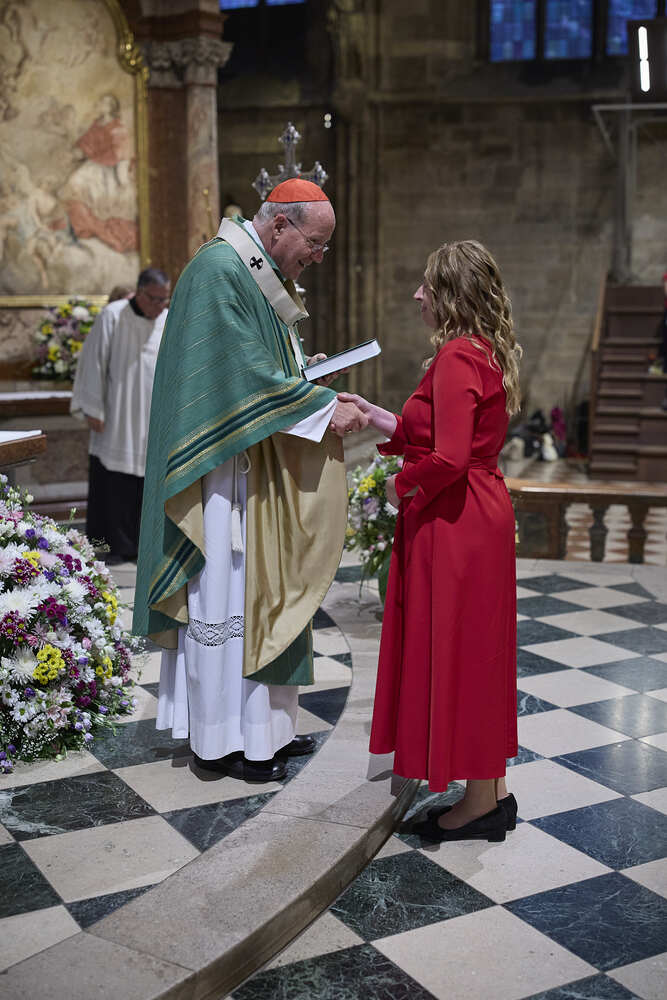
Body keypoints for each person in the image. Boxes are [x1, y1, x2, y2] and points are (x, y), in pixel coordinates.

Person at [132, 178, 368, 783]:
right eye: (315, 243)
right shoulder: (219, 271)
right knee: (227, 597)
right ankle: (220, 741)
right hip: (221, 478)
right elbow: (235, 377)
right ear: (281, 224)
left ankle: (266, 732)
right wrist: (319, 408)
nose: (319, 257)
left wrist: (304, 374)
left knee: (262, 598)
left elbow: (258, 365)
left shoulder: (254, 272)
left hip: (254, 463)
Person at [339, 239, 522, 843]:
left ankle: (479, 805)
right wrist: (378, 416)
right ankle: (490, 793)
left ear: (451, 294)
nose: (417, 294)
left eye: (428, 285)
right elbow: (443, 435)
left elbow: (447, 457)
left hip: (456, 519)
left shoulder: (455, 356)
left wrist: (400, 488)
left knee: (459, 652)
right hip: (477, 509)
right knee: (477, 652)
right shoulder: (481, 349)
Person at [71, 268, 171, 562]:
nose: (159, 306)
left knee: (147, 484)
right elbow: (94, 362)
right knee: (113, 485)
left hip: (153, 416)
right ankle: (111, 548)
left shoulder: (167, 319)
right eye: (154, 299)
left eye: (164, 300)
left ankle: (142, 548)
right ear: (139, 292)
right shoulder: (112, 316)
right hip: (117, 416)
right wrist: (93, 408)